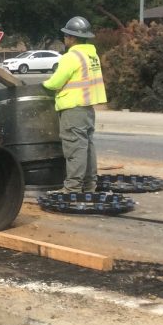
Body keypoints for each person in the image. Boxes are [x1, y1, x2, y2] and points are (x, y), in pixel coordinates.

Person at [42, 16, 107, 194]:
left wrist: (44, 85)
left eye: (66, 36)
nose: (65, 39)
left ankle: (72, 188)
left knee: (74, 148)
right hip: (87, 109)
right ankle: (89, 185)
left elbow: (55, 83)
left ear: (72, 38)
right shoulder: (91, 55)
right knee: (87, 147)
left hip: (73, 108)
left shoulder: (71, 57)